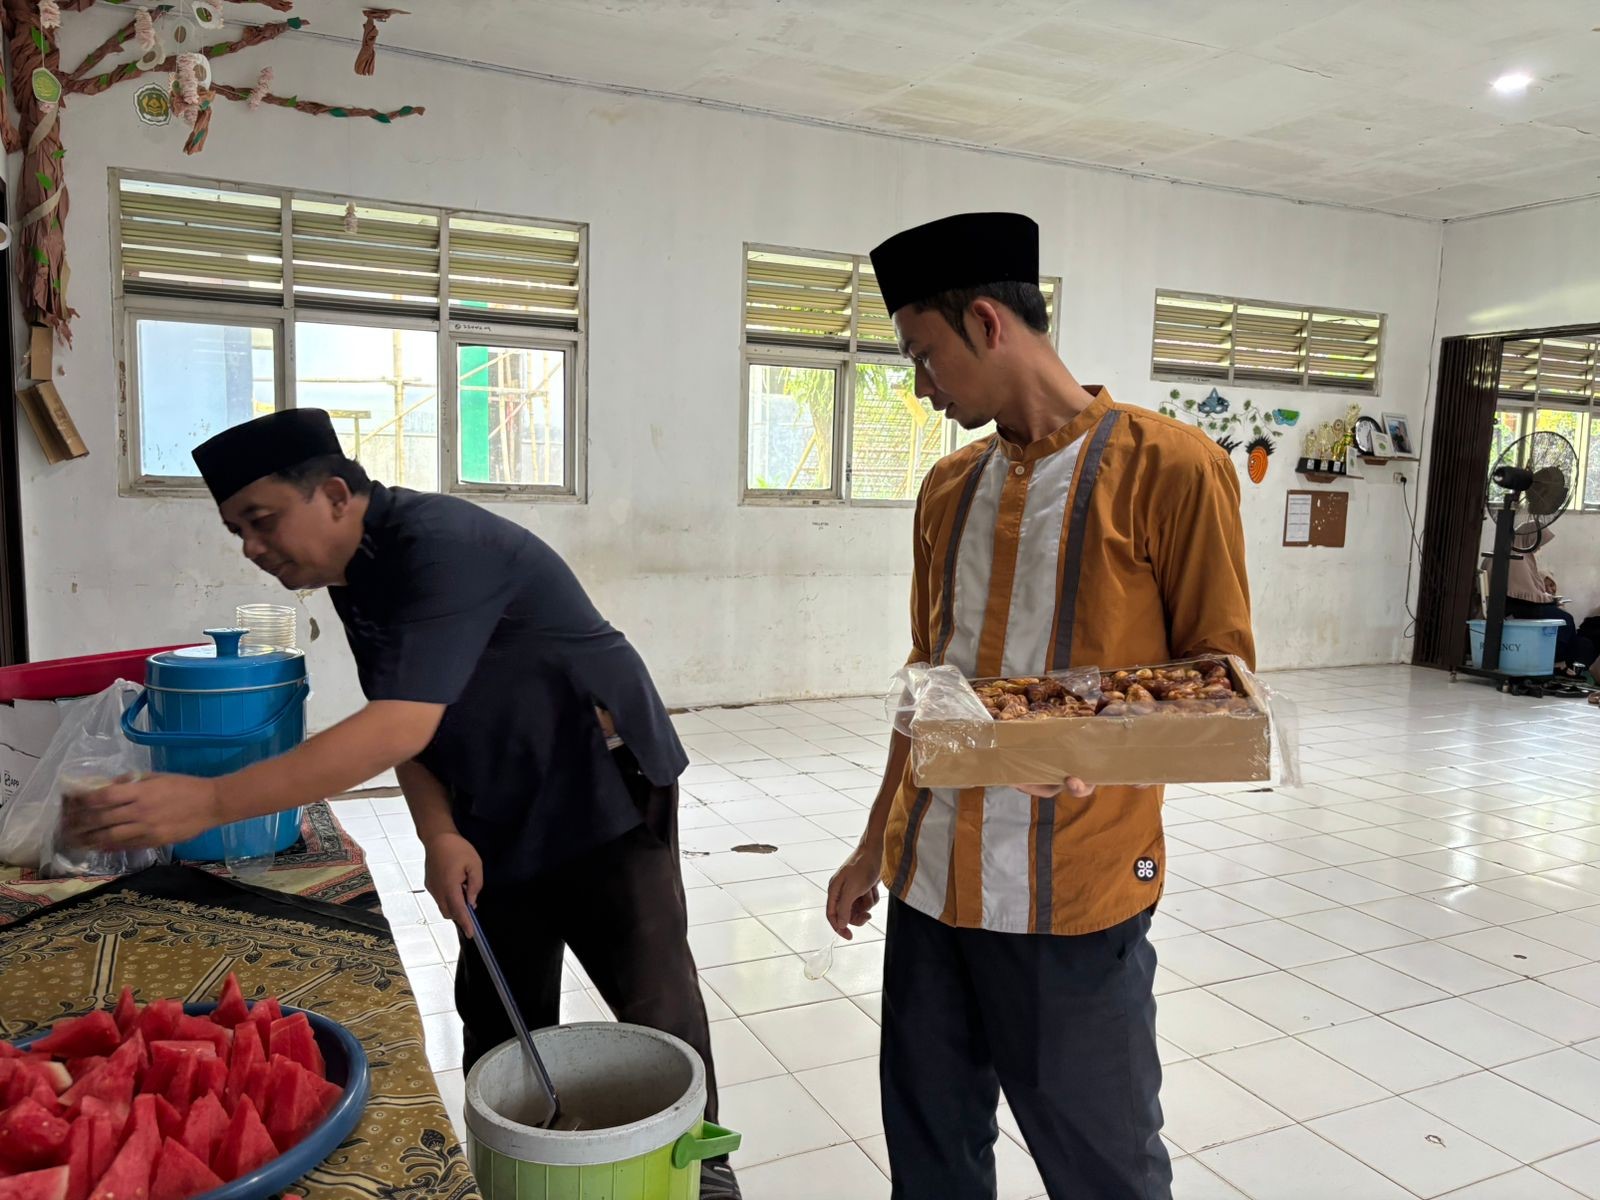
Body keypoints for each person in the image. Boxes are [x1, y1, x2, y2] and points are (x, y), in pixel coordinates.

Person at [74, 410, 740, 1199]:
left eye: (261, 521)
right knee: (499, 998)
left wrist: (211, 799)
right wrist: (440, 833)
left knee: (650, 988)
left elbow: (395, 725)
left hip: (601, 782)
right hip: (496, 792)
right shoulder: (357, 576)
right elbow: (413, 724)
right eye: (236, 532)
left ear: (332, 494)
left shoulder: (440, 546)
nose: (253, 549)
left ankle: (700, 1166)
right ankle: (521, 1162)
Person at [825, 212, 1254, 1200]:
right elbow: (924, 682)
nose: (921, 388)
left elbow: (1220, 685)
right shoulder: (946, 491)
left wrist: (1099, 750)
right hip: (930, 889)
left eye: (924, 357)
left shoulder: (1171, 468)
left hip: (1072, 897)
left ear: (985, 323)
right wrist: (871, 844)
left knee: (1101, 1164)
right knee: (931, 1156)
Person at [1504, 523, 1596, 678]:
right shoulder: (1515, 558)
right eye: (1537, 543)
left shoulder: (1521, 556)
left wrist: (1547, 599)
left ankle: (1567, 665)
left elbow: (1529, 589)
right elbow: (1524, 593)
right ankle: (1557, 662)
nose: (1538, 548)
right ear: (1528, 539)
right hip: (1517, 607)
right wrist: (1549, 600)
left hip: (1522, 604)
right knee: (1565, 619)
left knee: (1575, 633)